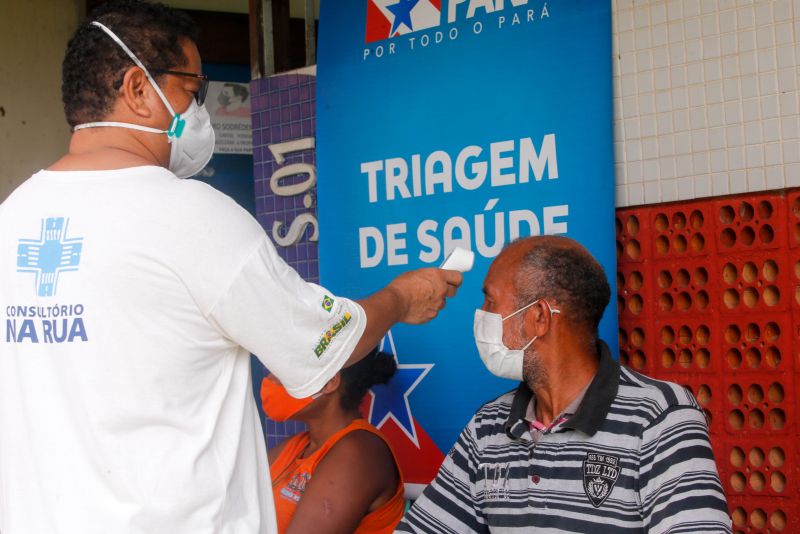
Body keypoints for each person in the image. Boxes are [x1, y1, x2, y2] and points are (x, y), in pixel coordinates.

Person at [0, 2, 461, 533]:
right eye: (193, 91)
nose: (202, 112)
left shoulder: (14, 216)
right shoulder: (187, 214)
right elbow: (318, 344)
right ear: (136, 87)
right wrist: (401, 298)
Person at [397, 236, 731, 533]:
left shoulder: (660, 418)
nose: (481, 314)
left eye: (491, 302)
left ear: (539, 317)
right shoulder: (488, 427)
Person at [263, 348, 403, 533]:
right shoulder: (297, 446)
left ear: (329, 382)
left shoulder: (358, 453)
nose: (272, 379)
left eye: (287, 370)